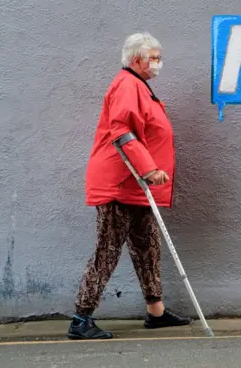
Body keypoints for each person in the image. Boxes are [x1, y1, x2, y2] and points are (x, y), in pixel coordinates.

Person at [68, 32, 191, 340]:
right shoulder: (127, 85)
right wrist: (148, 169)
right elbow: (121, 130)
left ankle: (156, 312)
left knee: (147, 248)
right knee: (107, 251)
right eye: (154, 57)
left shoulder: (139, 86)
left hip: (137, 187)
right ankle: (80, 318)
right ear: (137, 59)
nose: (159, 63)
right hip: (121, 184)